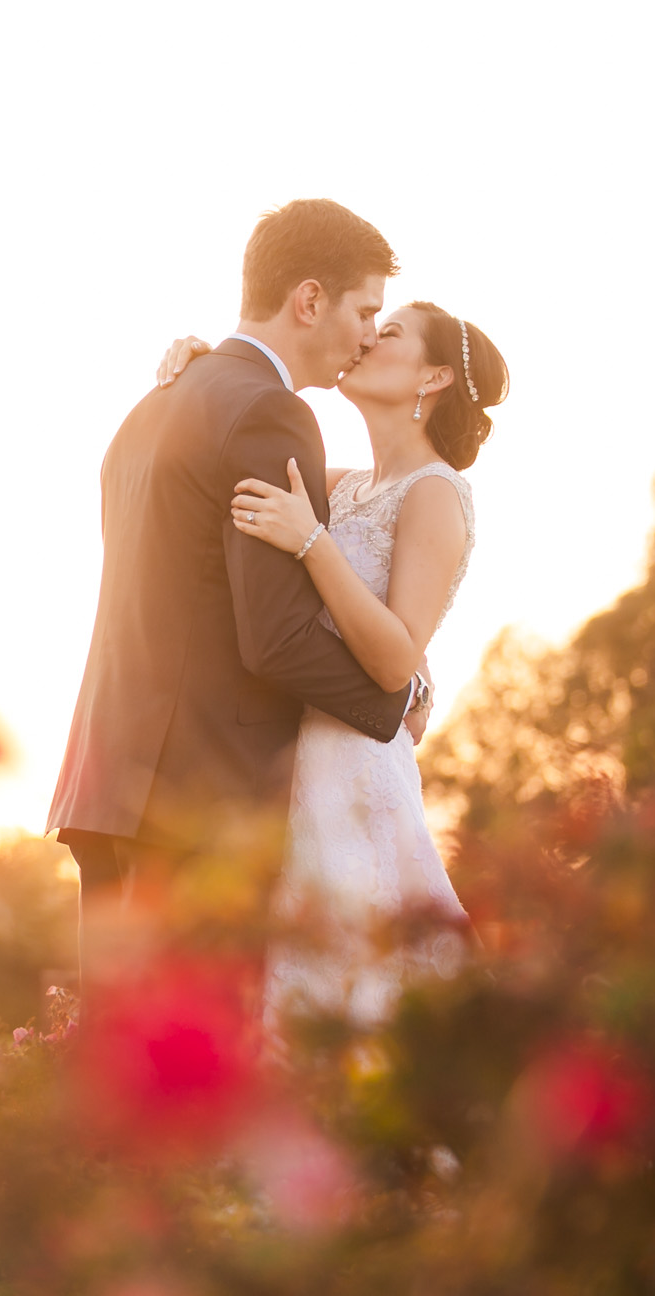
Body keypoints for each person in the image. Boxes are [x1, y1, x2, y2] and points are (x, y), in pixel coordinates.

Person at [45, 199, 421, 1009]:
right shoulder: (270, 411)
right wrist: (395, 697)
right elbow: (276, 639)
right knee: (191, 1088)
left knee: (121, 1083)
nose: (366, 336)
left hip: (107, 783)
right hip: (195, 800)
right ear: (309, 300)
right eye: (365, 312)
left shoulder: (152, 406)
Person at [156, 299, 509, 1034]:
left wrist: (312, 541)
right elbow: (235, 450)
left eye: (390, 334)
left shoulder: (437, 493)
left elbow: (392, 658)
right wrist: (204, 367)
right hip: (291, 756)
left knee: (353, 975)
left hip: (354, 763)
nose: (366, 341)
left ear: (434, 375)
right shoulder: (346, 483)